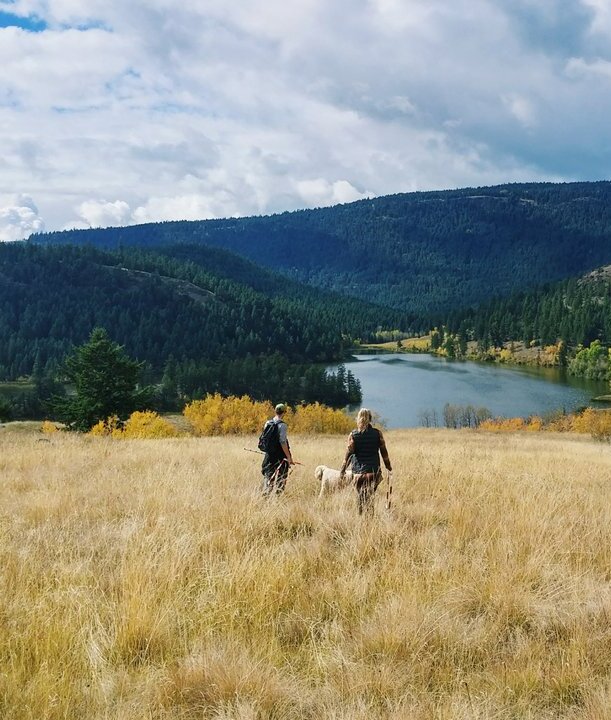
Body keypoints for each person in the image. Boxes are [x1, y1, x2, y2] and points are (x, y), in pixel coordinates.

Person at [339, 408, 392, 515]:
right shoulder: (377, 434)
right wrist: (388, 467)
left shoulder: (353, 435)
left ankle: (360, 517)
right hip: (374, 473)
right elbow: (384, 452)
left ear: (358, 419)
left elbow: (348, 454)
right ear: (370, 419)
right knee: (370, 497)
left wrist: (342, 470)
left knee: (360, 497)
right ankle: (370, 518)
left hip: (358, 474)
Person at [261, 403, 294, 496]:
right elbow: (283, 442)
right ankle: (278, 496)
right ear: (284, 413)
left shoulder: (267, 423)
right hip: (280, 456)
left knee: (268, 475)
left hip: (269, 455)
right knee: (281, 477)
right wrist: (288, 457)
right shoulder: (282, 426)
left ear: (275, 411)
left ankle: (266, 493)